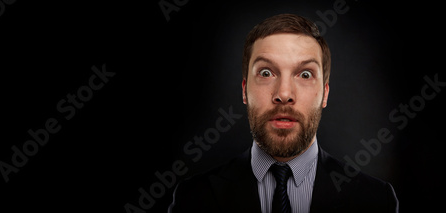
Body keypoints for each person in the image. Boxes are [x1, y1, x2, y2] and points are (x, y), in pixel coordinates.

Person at [168, 14, 399, 213]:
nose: (284, 94)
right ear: (244, 90)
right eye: (266, 72)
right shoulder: (193, 198)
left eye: (305, 74)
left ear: (325, 94)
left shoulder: (376, 201)